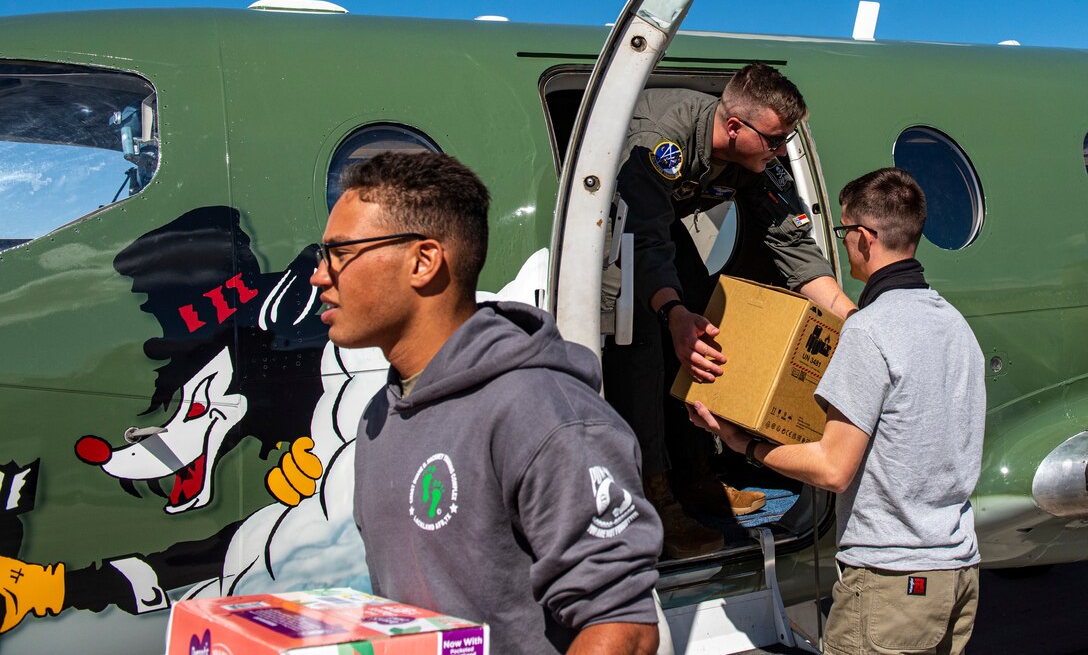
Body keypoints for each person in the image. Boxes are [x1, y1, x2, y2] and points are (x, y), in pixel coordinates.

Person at [310, 151, 664, 655]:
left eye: (340, 253)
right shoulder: (380, 416)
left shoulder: (542, 413)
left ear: (423, 261)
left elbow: (624, 629)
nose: (319, 276)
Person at [689, 168, 986, 654]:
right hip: (957, 573)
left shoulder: (870, 332)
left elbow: (832, 469)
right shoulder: (954, 325)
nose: (844, 242)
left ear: (865, 237)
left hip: (892, 582)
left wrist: (744, 444)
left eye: (844, 231)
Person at [606, 63, 855, 558]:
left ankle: (697, 473)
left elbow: (790, 238)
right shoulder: (662, 141)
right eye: (775, 140)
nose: (781, 151)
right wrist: (672, 315)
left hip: (658, 231)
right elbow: (644, 237)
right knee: (643, 341)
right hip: (618, 234)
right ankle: (651, 496)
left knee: (707, 313)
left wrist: (855, 322)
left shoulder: (755, 157)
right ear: (736, 127)